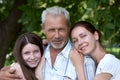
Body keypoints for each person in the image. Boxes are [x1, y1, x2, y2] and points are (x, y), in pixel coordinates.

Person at [0, 6, 96, 80]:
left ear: (68, 27)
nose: (57, 35)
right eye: (51, 30)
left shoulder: (85, 61)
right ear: (43, 28)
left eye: (61, 29)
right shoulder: (37, 53)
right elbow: (18, 67)